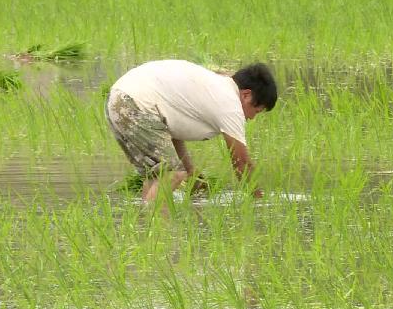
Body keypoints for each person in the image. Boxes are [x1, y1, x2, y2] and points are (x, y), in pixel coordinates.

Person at [106, 61, 277, 210]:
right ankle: (154, 235)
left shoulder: (215, 86)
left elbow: (170, 130)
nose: (252, 117)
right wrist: (260, 201)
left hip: (120, 98)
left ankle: (149, 238)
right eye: (256, 110)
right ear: (246, 94)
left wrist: (190, 171)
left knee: (157, 178)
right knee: (171, 175)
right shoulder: (230, 103)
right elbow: (241, 164)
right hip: (134, 103)